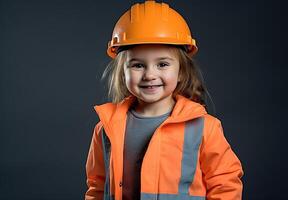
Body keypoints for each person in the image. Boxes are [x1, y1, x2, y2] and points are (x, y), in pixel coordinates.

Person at [85, 0, 244, 200]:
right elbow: (97, 184)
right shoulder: (105, 128)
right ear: (122, 72)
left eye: (162, 64)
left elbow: (225, 184)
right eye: (137, 65)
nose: (150, 75)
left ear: (181, 71)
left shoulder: (205, 128)